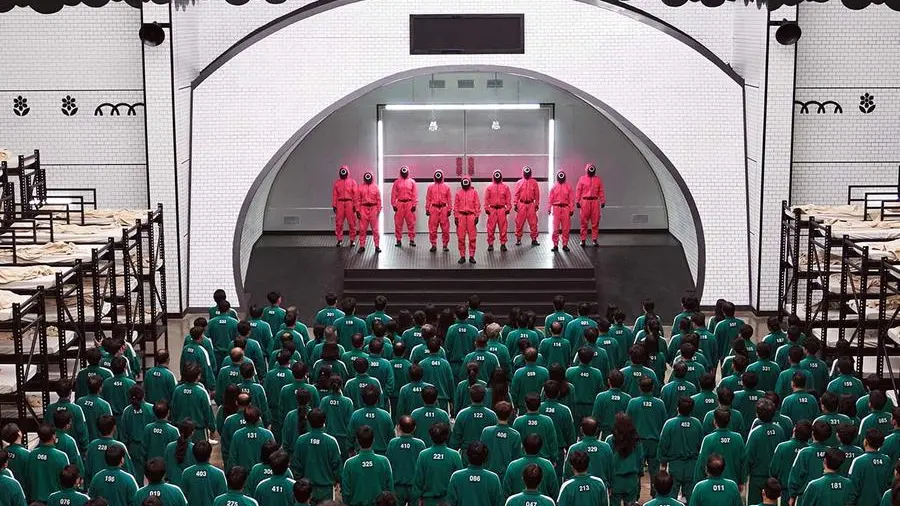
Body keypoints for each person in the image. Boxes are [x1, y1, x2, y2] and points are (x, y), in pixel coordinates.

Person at [289, 406, 341, 500]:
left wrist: (299, 482)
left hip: (305, 490)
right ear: (324, 422)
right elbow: (336, 465)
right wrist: (338, 480)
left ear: (308, 421)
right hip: (326, 490)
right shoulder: (331, 441)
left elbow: (296, 464)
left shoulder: (301, 440)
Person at [659, 397, 703, 502]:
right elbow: (700, 445)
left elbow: (663, 445)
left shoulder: (670, 424)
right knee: (691, 498)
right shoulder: (697, 424)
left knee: (671, 497)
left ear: (677, 408)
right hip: (692, 466)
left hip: (674, 466)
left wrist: (663, 463)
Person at [744, 399, 788, 504]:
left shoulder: (755, 433)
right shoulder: (779, 430)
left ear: (757, 414)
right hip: (774, 481)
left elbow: (748, 457)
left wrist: (743, 477)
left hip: (757, 480)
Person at [342, 426, 394, 506]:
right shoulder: (384, 461)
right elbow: (390, 488)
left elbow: (346, 493)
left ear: (357, 441)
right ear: (374, 440)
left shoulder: (349, 463)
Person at [413, 422, 462, 506]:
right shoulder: (455, 455)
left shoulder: (423, 455)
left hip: (428, 501)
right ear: (447, 436)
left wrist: (417, 500)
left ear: (430, 436)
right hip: (448, 502)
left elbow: (418, 481)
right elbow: (459, 482)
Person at [695, 409, 744, 487]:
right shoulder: (738, 438)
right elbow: (743, 462)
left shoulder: (708, 439)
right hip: (733, 483)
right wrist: (742, 481)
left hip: (711, 484)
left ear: (714, 422)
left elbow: (702, 462)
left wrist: (698, 482)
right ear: (729, 421)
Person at [451, 385, 498, 465]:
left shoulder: (462, 414)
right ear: (484, 397)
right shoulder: (492, 415)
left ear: (470, 397)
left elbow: (455, 439)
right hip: (486, 458)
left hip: (466, 458)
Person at [502, 434, 559, 499]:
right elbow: (555, 493)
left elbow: (505, 492)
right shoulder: (548, 465)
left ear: (523, 447)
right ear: (540, 447)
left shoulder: (513, 466)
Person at [446, 442, 504, 506]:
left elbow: (450, 502)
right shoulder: (493, 478)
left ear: (467, 456)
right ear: (485, 457)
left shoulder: (456, 477)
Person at [386, 416, 426, 506]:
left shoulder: (393, 443)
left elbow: (389, 464)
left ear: (398, 427)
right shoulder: (420, 444)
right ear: (414, 428)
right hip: (415, 488)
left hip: (397, 487)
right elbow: (423, 467)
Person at [788, 420, 833, 503]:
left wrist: (792, 495)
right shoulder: (831, 451)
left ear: (812, 433)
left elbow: (795, 476)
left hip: (806, 497)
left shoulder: (804, 452)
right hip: (827, 496)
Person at [170, 363, 215, 442]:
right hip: (199, 433)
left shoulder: (177, 390)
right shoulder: (202, 392)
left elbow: (173, 411)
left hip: (181, 431)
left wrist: (174, 425)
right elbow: (208, 412)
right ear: (198, 376)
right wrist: (212, 428)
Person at [606, 413, 643, 506]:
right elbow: (640, 460)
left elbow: (607, 462)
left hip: (616, 481)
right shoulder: (636, 440)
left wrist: (607, 481)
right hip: (632, 481)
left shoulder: (610, 440)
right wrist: (639, 476)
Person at [848, 429, 892, 506]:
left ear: (865, 442)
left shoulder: (858, 461)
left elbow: (852, 489)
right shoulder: (887, 460)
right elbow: (890, 484)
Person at [480, 401, 522, 481]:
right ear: (510, 415)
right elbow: (516, 458)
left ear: (496, 414)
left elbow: (482, 454)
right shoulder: (515, 435)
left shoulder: (486, 431)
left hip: (488, 474)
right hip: (507, 476)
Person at [348, 385, 394, 454]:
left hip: (360, 454)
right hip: (382, 455)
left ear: (362, 399)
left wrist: (351, 451)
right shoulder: (386, 416)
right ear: (377, 399)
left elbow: (350, 437)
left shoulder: (356, 415)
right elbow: (391, 438)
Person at [229, 407, 275, 472]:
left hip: (243, 475)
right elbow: (274, 457)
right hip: (261, 474)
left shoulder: (237, 435)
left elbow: (232, 457)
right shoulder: (268, 434)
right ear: (259, 419)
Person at [181, 441, 227, 506]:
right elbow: (223, 500)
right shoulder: (219, 474)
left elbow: (184, 498)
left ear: (194, 455)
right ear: (210, 454)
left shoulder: (186, 473)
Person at [573, 163, 605, 247]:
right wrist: (577, 201)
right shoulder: (582, 179)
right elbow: (578, 190)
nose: (591, 171)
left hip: (595, 201)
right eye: (589, 169)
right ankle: (583, 240)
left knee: (595, 222)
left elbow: (601, 191)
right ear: (586, 170)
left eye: (592, 169)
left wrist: (602, 201)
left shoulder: (598, 179)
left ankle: (594, 239)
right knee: (584, 222)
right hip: (585, 202)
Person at [482, 170, 512, 252]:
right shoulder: (489, 188)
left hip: (502, 209)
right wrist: (486, 208)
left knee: (503, 227)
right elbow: (486, 199)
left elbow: (508, 199)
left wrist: (508, 208)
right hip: (492, 209)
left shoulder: (505, 187)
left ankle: (503, 244)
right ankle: (490, 244)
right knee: (490, 228)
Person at [454, 177, 481, 264]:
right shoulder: (458, 193)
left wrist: (477, 216)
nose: (465, 184)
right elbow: (456, 206)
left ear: (469, 182)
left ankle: (471, 256)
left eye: (467, 182)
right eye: (464, 182)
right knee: (461, 237)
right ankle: (462, 256)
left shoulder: (474, 192)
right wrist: (456, 217)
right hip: (461, 216)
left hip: (471, 216)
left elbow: (477, 204)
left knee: (472, 237)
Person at [425, 169, 452, 252]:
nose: (438, 176)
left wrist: (449, 209)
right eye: (436, 175)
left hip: (443, 209)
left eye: (439, 174)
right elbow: (428, 199)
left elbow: (449, 199)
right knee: (432, 229)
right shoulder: (430, 187)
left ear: (442, 176)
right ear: (434, 176)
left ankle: (445, 245)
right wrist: (427, 208)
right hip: (434, 209)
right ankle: (433, 245)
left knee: (445, 229)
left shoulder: (446, 187)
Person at [547, 171, 575, 252]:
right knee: (555, 228)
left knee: (566, 228)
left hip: (566, 208)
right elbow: (550, 199)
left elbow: (571, 199)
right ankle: (555, 244)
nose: (561, 177)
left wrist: (571, 209)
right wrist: (549, 208)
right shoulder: (554, 187)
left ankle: (565, 245)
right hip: (556, 208)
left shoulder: (568, 187)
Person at [391, 165, 417, 247]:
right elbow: (393, 194)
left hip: (409, 203)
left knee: (411, 222)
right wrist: (393, 204)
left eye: (405, 172)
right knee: (398, 223)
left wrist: (414, 204)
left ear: (408, 172)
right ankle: (398, 240)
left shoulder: (412, 182)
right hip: (400, 203)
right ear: (401, 173)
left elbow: (414, 194)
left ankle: (412, 240)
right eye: (403, 172)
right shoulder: (397, 182)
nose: (404, 174)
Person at [163, 419, 195, 488]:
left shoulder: (169, 446)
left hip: (172, 485)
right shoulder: (194, 448)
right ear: (192, 433)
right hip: (189, 486)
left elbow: (166, 466)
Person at [514, 166, 541, 246]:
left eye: (528, 172)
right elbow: (516, 194)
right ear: (523, 173)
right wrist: (515, 204)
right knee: (519, 222)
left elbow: (537, 194)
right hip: (521, 204)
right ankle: (518, 239)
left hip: (531, 204)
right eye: (525, 172)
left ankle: (534, 239)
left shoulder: (534, 182)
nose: (527, 174)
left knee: (533, 223)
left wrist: (536, 204)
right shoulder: (519, 182)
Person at [356, 171, 382, 253]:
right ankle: (362, 246)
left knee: (375, 229)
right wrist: (357, 210)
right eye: (366, 177)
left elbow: (379, 199)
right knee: (362, 229)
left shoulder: (376, 187)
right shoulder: (360, 187)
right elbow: (358, 200)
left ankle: (377, 246)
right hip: (363, 208)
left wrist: (378, 210)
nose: (368, 179)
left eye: (369, 177)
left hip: (373, 208)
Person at [332, 165, 358, 247]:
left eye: (344, 171)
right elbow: (335, 195)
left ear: (347, 172)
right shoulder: (337, 183)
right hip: (340, 203)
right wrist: (334, 205)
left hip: (349, 203)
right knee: (339, 223)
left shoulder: (352, 182)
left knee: (352, 223)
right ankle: (339, 239)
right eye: (342, 171)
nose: (343, 173)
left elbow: (355, 195)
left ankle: (352, 240)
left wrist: (355, 206)